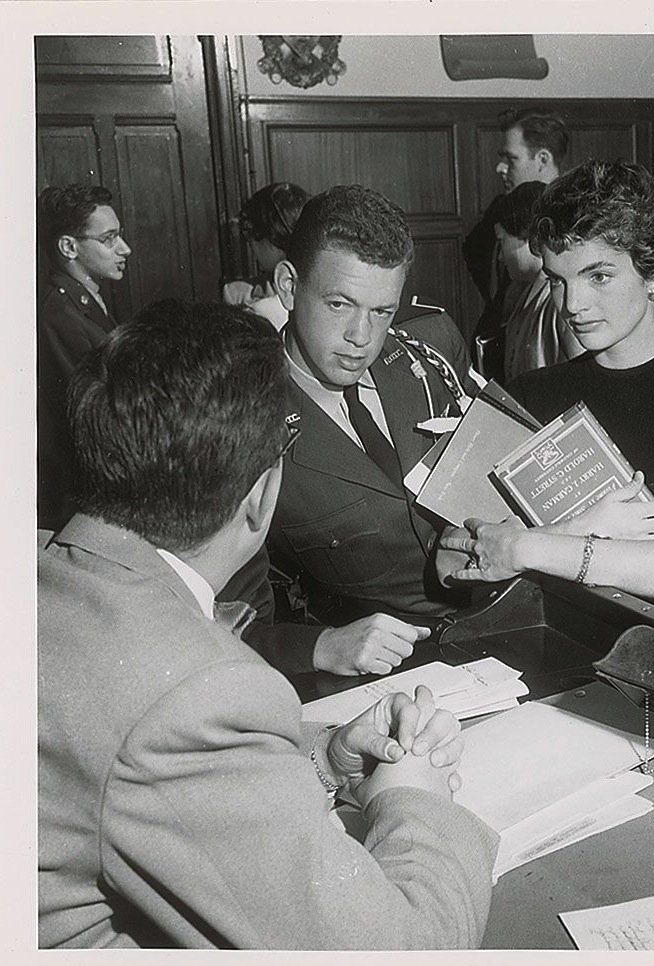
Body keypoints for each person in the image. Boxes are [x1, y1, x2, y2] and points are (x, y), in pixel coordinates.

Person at [38, 299, 497, 949]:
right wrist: (412, 797)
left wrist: (323, 760)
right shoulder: (192, 695)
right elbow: (411, 951)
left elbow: (125, 783)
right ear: (258, 499)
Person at [438, 160, 654, 607]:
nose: (573, 304)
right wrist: (583, 528)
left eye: (599, 276)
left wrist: (524, 547)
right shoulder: (527, 394)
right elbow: (447, 564)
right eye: (557, 280)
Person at [226, 185, 480, 679]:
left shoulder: (428, 354)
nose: (361, 337)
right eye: (340, 304)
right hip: (374, 681)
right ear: (287, 286)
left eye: (382, 312)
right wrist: (322, 647)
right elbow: (229, 619)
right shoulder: (243, 424)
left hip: (499, 630)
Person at [37, 183, 132, 531]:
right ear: (69, 246)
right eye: (108, 239)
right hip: (79, 497)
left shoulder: (87, 298)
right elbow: (94, 411)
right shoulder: (60, 313)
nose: (125, 248)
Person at [462, 108, 569, 364]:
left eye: (511, 159)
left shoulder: (578, 215)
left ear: (542, 159)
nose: (500, 168)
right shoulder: (500, 211)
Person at [495, 180, 582, 381]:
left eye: (502, 242)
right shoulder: (526, 292)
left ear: (527, 235)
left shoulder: (561, 300)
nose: (500, 257)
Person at [223, 181, 310, 328]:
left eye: (252, 237)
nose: (250, 245)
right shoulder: (237, 294)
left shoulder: (319, 289)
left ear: (272, 239)